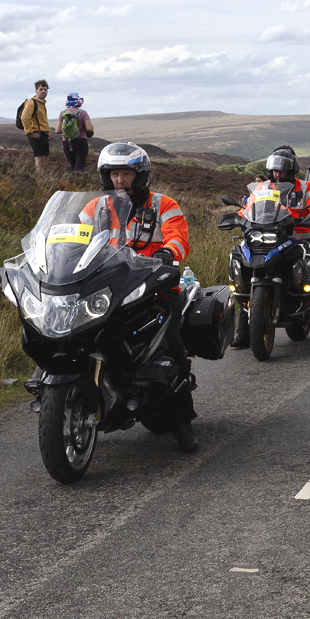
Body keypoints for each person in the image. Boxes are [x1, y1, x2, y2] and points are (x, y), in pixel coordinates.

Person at [82, 142, 197, 452]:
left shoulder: (164, 205)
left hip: (155, 288)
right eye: (114, 174)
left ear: (141, 175)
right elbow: (74, 241)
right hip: (105, 290)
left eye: (126, 173)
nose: (120, 180)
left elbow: (179, 239)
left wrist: (167, 253)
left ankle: (183, 421)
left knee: (172, 347)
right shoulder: (94, 208)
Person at [231, 146, 310, 349]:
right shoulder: (263, 187)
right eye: (275, 170)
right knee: (251, 274)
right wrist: (240, 218)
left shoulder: (305, 186)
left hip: (297, 238)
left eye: (282, 170)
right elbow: (250, 206)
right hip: (267, 237)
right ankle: (243, 333)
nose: (278, 174)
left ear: (292, 170)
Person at [56, 93, 94, 172]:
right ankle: (79, 183)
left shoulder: (62, 113)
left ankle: (72, 183)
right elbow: (89, 129)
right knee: (79, 168)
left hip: (66, 143)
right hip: (80, 142)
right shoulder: (83, 113)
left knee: (73, 167)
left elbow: (58, 130)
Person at [20, 79, 51, 173]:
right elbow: (24, 118)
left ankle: (44, 181)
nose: (43, 91)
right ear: (36, 90)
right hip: (37, 135)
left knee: (45, 161)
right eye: (41, 89)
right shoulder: (31, 102)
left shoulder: (41, 103)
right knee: (40, 161)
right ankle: (40, 181)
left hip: (44, 135)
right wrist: (29, 133)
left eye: (45, 89)